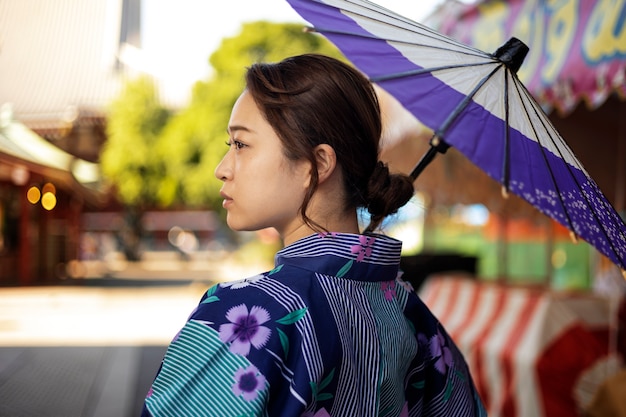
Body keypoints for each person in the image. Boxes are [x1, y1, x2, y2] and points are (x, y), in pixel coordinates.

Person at [141, 54, 486, 417]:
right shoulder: (412, 315)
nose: (221, 169)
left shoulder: (246, 316)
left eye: (241, 145)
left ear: (318, 164)